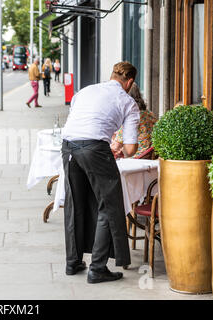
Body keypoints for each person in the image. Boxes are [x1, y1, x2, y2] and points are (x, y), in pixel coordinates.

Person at [61, 61, 140, 284]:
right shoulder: (128, 102)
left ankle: (72, 262)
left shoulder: (85, 91)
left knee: (75, 203)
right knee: (110, 205)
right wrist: (117, 146)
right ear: (130, 82)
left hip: (68, 146)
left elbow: (80, 122)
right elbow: (131, 149)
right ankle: (97, 269)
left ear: (112, 75)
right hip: (95, 149)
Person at [111, 82, 157, 159]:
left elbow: (116, 147)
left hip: (134, 160)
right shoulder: (149, 114)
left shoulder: (131, 118)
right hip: (149, 158)